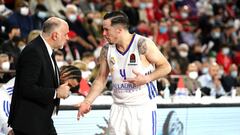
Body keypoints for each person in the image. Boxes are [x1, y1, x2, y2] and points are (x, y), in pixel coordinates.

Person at [77, 11, 171, 135]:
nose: (103, 34)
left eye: (106, 30)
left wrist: (147, 78)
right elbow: (101, 79)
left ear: (119, 30)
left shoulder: (142, 44)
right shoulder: (106, 49)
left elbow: (166, 67)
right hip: (118, 108)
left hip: (142, 108)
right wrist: (87, 101)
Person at [8, 17, 71, 135]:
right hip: (30, 123)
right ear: (55, 35)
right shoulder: (34, 51)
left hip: (41, 120)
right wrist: (56, 93)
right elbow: (26, 88)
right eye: (66, 34)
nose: (68, 37)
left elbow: (41, 79)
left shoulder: (45, 49)